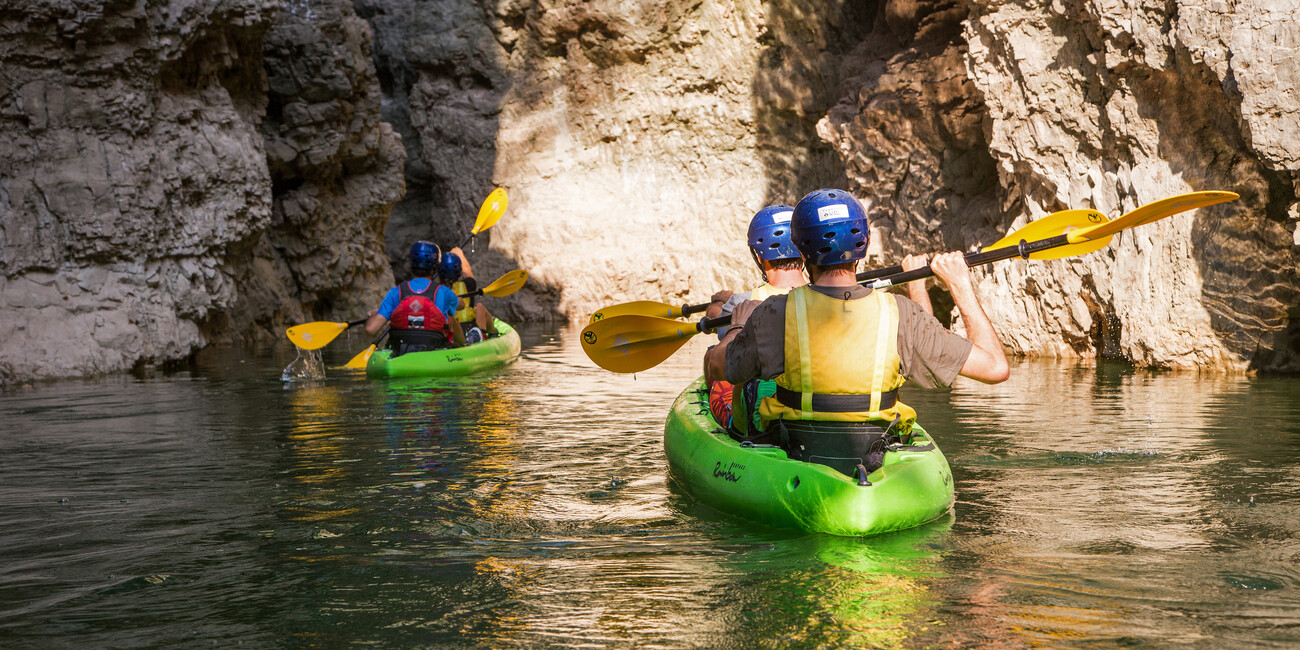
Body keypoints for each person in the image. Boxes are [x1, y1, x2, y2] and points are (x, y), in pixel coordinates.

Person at [705, 188, 1009, 478]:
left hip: (796, 454)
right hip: (875, 458)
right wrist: (960, 284)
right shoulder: (902, 313)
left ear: (799, 248)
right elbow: (995, 367)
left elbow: (718, 367)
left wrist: (736, 326)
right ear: (863, 243)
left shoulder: (774, 313)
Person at [702, 205, 808, 439]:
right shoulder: (822, 297)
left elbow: (713, 318)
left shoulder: (744, 301)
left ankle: (712, 410)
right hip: (807, 411)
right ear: (803, 251)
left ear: (759, 257)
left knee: (713, 354)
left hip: (758, 422)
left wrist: (720, 302)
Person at [365, 241, 466, 354]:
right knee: (449, 315)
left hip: (401, 350)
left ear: (411, 263)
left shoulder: (396, 292)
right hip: (434, 350)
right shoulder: (444, 292)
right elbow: (462, 305)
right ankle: (464, 345)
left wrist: (376, 314)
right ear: (435, 266)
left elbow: (371, 329)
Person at [438, 247, 499, 344]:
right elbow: (467, 270)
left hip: (452, 329)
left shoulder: (437, 289)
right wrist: (460, 254)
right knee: (479, 307)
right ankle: (489, 333)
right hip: (471, 328)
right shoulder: (469, 284)